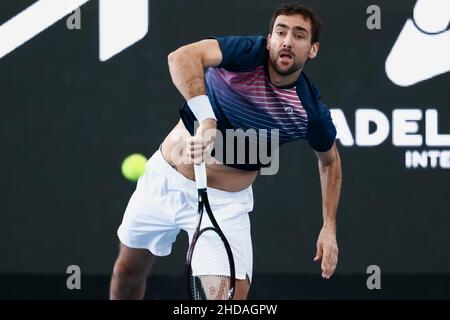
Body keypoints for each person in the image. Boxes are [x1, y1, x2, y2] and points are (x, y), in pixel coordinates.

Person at [110, 2, 342, 300]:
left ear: (312, 49)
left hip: (222, 205)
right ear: (269, 39)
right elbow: (181, 57)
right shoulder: (245, 53)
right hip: (163, 181)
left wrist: (329, 227)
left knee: (228, 299)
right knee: (126, 274)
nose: (287, 41)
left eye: (299, 35)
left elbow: (330, 162)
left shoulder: (308, 111)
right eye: (280, 32)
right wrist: (207, 118)